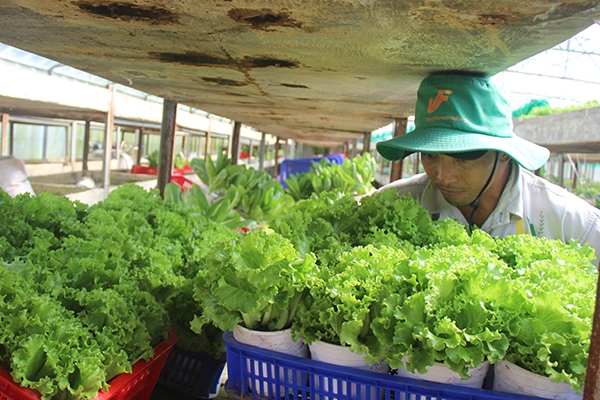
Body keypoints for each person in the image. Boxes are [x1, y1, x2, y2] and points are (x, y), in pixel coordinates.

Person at [376, 71, 600, 267]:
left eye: (462, 157)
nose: (442, 176)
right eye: (430, 155)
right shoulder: (391, 204)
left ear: (503, 153)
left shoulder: (575, 226)